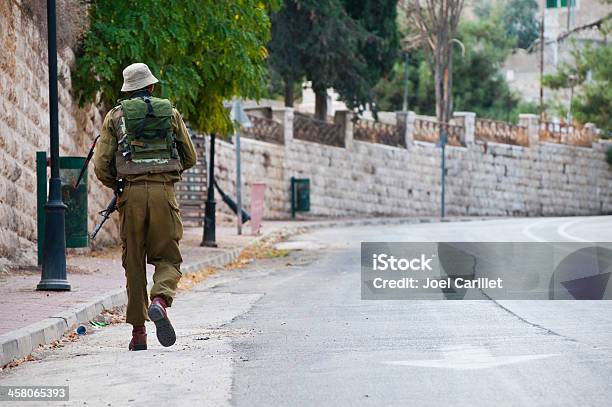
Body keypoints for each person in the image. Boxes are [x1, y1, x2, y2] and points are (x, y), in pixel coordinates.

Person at [93, 62, 197, 351]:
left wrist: (120, 185)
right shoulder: (171, 114)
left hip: (131, 196)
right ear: (151, 86)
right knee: (168, 258)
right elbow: (189, 157)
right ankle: (160, 300)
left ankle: (138, 334)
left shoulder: (115, 117)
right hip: (164, 194)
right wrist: (164, 173)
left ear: (128, 89)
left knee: (134, 264)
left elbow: (101, 166)